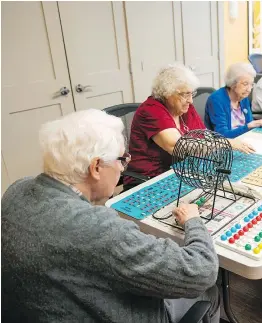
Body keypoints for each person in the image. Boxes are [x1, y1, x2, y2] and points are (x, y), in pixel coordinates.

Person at [1, 109, 221, 323]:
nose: (123, 169)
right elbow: (202, 270)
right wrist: (193, 220)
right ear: (96, 166)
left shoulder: (16, 190)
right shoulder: (97, 229)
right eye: (121, 159)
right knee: (211, 289)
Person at [125, 64, 254, 190]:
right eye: (185, 94)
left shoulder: (185, 107)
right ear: (167, 93)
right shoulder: (152, 110)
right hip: (149, 180)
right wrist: (225, 143)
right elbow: (178, 147)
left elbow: (204, 136)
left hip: (181, 172)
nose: (191, 100)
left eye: (191, 94)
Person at [205, 62, 262, 138]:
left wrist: (259, 124)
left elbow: (249, 123)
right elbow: (222, 136)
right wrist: (248, 126)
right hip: (225, 145)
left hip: (244, 140)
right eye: (245, 84)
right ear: (233, 83)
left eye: (251, 84)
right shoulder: (216, 100)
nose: (249, 90)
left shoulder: (243, 97)